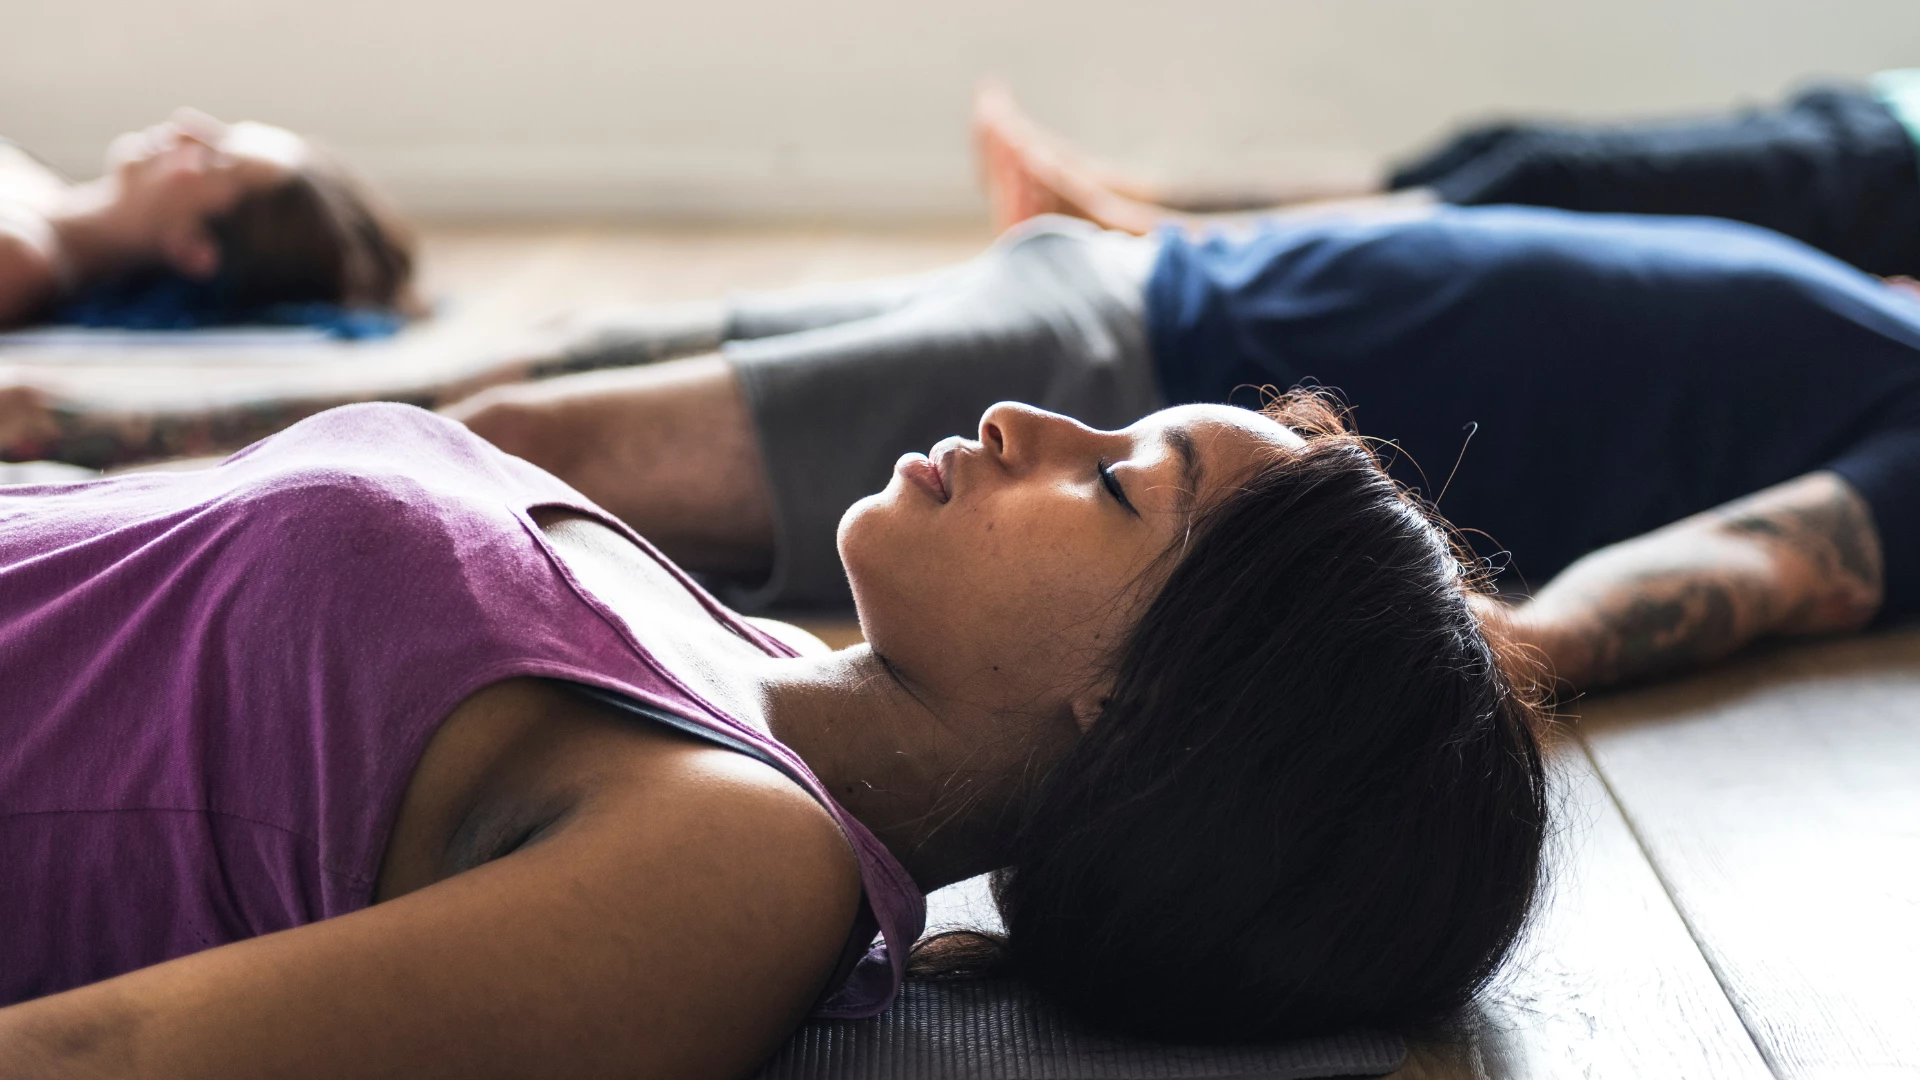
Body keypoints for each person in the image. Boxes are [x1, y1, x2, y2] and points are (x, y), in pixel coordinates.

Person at [0, 396, 1546, 1074]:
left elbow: (116, 1058)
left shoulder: (739, 869)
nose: (1030, 424)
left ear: (1147, 714)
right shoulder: (750, 653)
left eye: (1120, 484)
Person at [450, 203, 1914, 694]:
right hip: (1135, 298)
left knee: (519, 449)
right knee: (573, 374)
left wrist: (1429, 663)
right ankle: (229, 449)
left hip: (1130, 396)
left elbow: (1771, 567)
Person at [972, 73, 1920, 279]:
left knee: (1540, 182)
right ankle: (1147, 202)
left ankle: (1154, 238)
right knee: (1488, 152)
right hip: (1879, 118)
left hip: (1885, 174)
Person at [0, 107, 417, 328]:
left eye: (212, 155)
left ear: (196, 249)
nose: (187, 126)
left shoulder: (18, 259)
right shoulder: (40, 191)